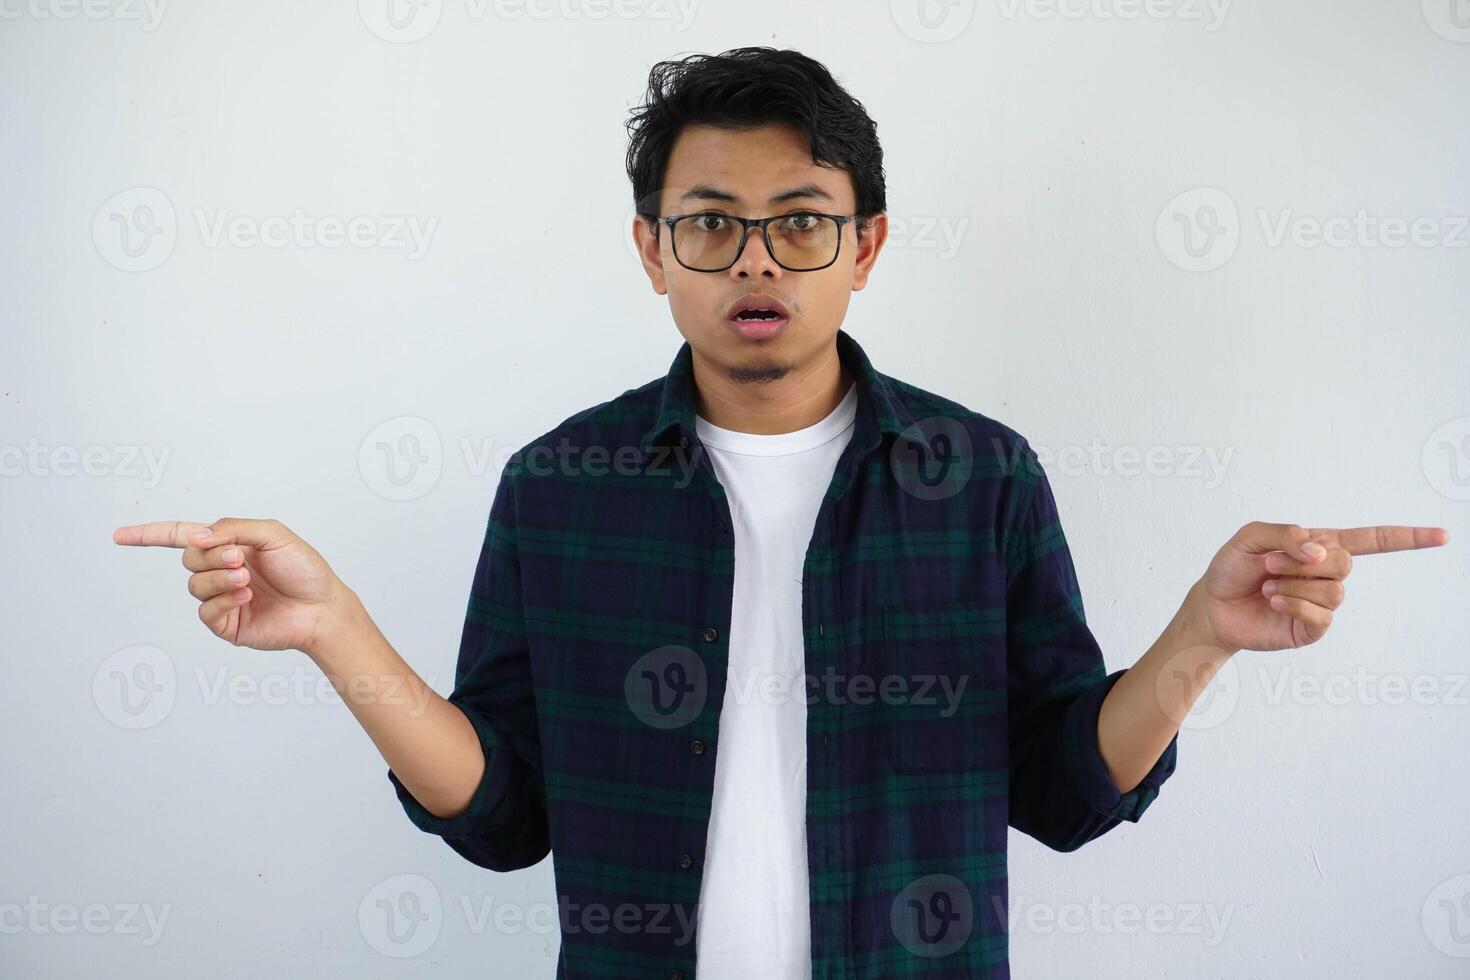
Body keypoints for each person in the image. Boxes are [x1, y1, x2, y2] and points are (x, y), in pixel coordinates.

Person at [113, 46, 1449, 980]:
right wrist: (338, 632)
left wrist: (1196, 640)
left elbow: (1058, 793)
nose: (755, 259)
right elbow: (503, 817)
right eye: (709, 223)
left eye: (801, 222)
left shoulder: (980, 476)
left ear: (863, 245)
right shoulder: (556, 486)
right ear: (651, 249)